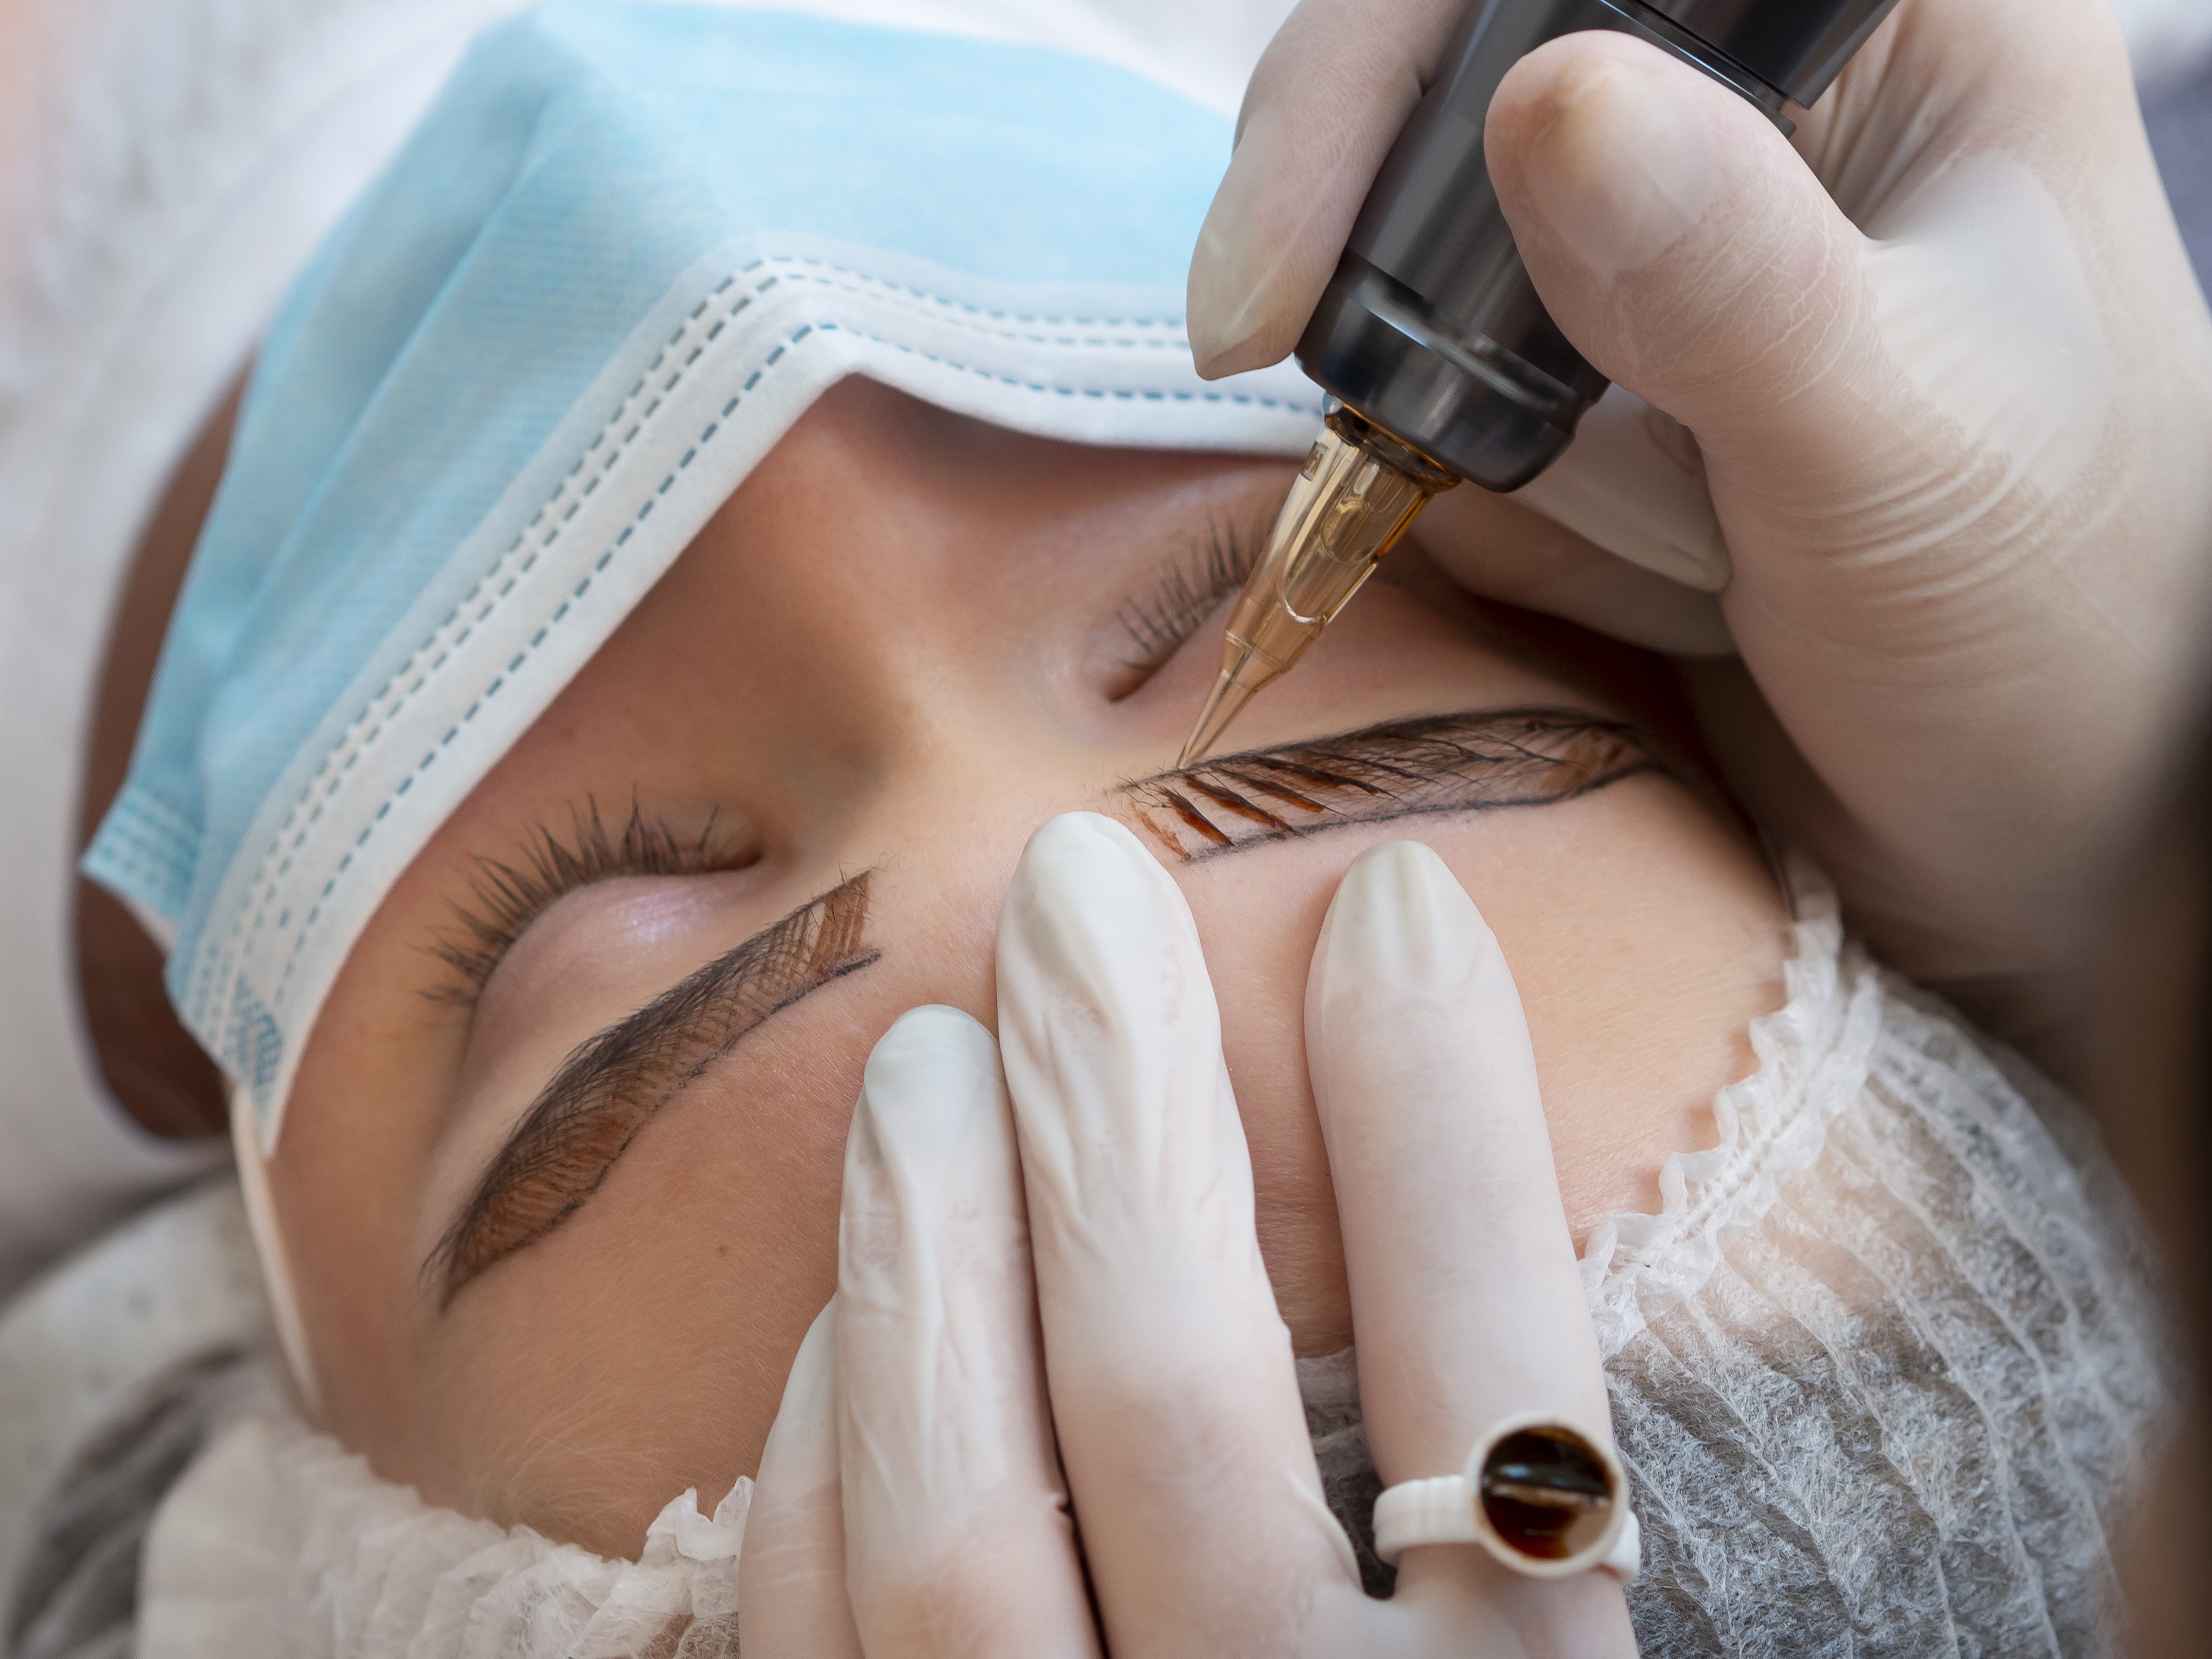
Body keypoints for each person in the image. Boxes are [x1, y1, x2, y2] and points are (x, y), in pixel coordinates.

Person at [0, 1, 2199, 1655]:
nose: (823, 532)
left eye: (611, 932)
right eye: (1359, 706)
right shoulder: (1879, 160)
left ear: (260, 1418)